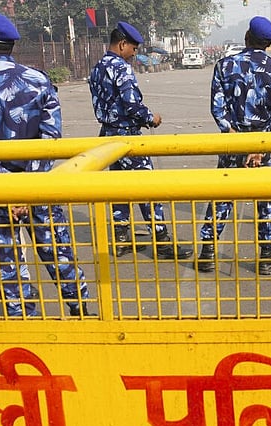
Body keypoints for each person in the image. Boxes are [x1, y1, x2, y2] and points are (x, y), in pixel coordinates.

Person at [0, 8, 93, 318]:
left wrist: (4, 186)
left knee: (6, 264)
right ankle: (82, 314)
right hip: (39, 190)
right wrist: (27, 189)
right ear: (10, 45)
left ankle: (26, 323)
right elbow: (50, 141)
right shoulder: (38, 80)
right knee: (59, 255)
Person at [89, 21, 192, 260]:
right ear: (122, 44)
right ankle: (162, 240)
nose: (135, 54)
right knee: (147, 188)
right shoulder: (121, 68)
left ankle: (122, 238)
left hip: (107, 135)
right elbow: (132, 104)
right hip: (127, 137)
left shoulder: (97, 68)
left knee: (119, 189)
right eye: (133, 49)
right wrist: (150, 118)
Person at [196, 16, 271, 275]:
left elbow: (218, 109)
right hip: (265, 147)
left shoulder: (225, 66)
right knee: (266, 203)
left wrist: (237, 140)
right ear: (269, 43)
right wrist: (260, 148)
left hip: (232, 144)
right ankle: (266, 259)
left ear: (247, 37)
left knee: (221, 199)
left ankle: (207, 253)